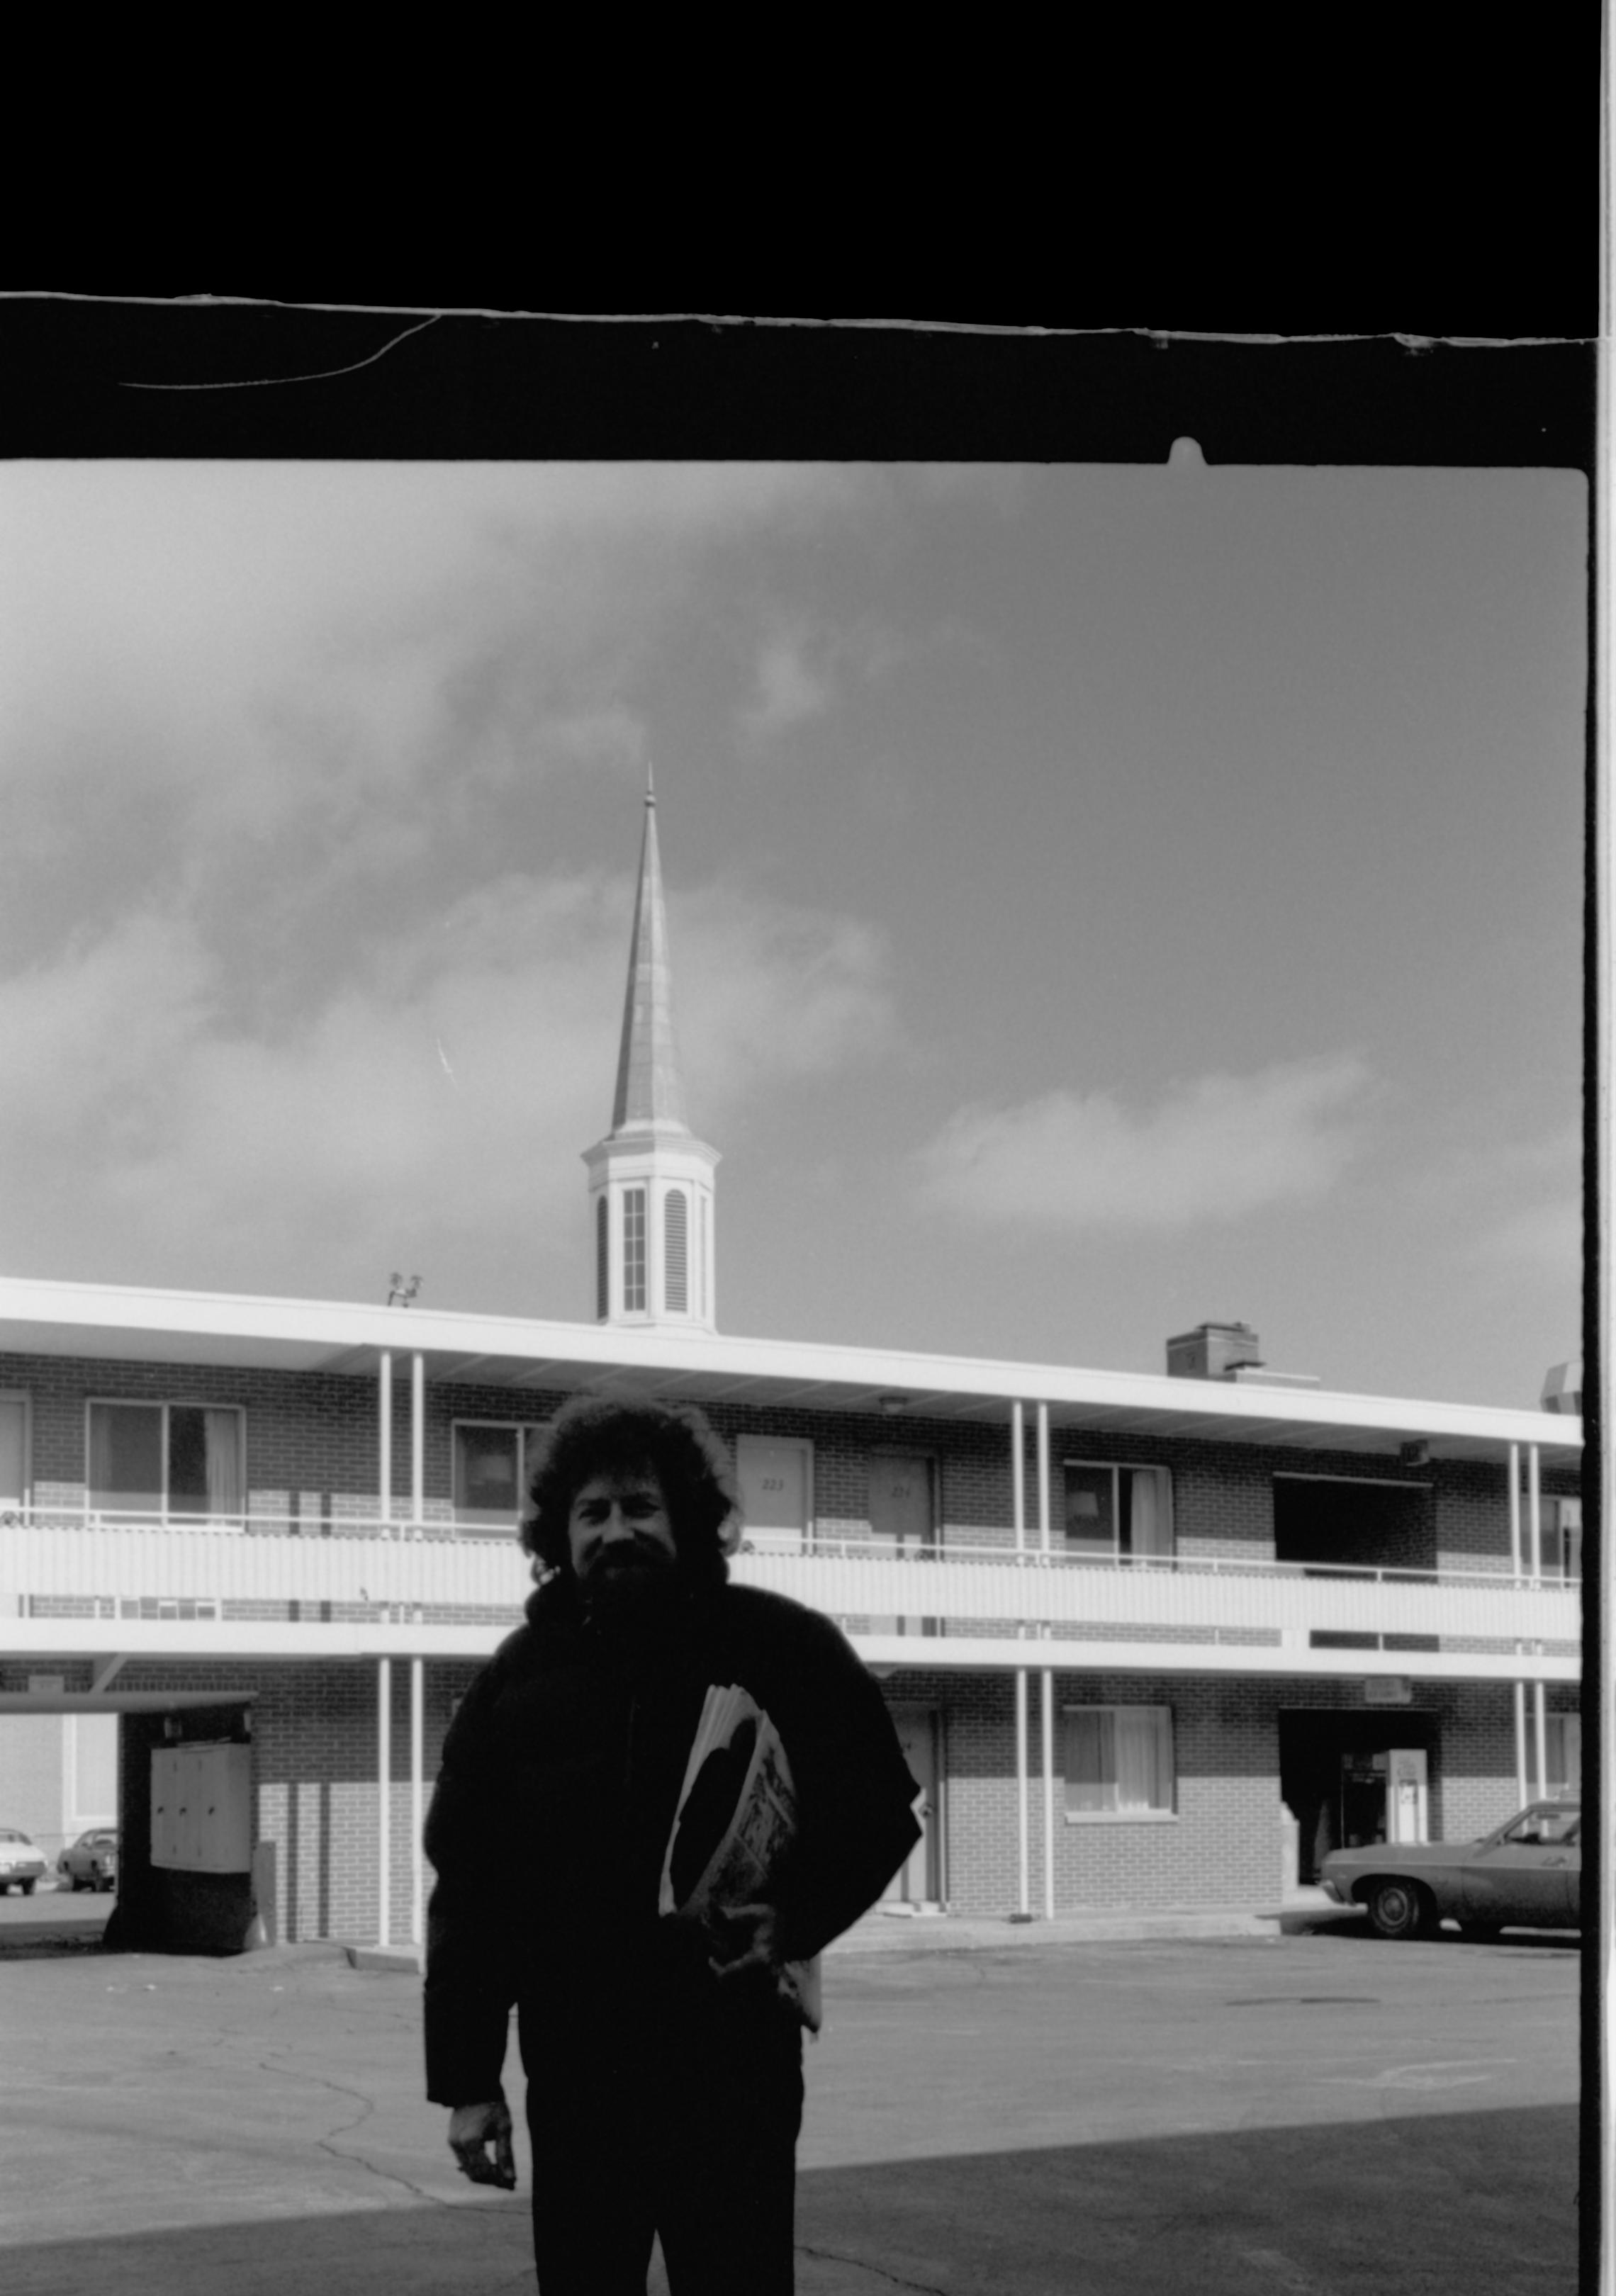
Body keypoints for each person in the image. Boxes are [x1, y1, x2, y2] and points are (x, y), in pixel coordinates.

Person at [422, 1393, 922, 2296]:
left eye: (640, 1508)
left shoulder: (782, 1645)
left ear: (688, 1518)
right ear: (558, 1535)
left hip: (732, 2068)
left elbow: (879, 1810)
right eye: (593, 1513)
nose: (617, 1532)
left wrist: (795, 1919)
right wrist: (469, 2081)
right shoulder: (516, 1680)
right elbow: (470, 1892)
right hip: (577, 2077)